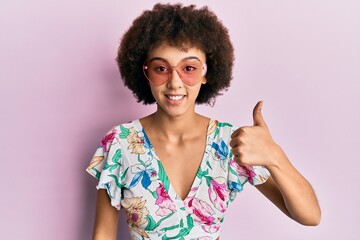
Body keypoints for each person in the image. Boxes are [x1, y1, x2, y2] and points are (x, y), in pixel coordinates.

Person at [86, 3, 321, 240]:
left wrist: (275, 157)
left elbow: (310, 216)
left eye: (189, 68)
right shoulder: (120, 143)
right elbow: (103, 233)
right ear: (145, 73)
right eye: (161, 68)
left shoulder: (230, 143)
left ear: (207, 72)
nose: (175, 82)